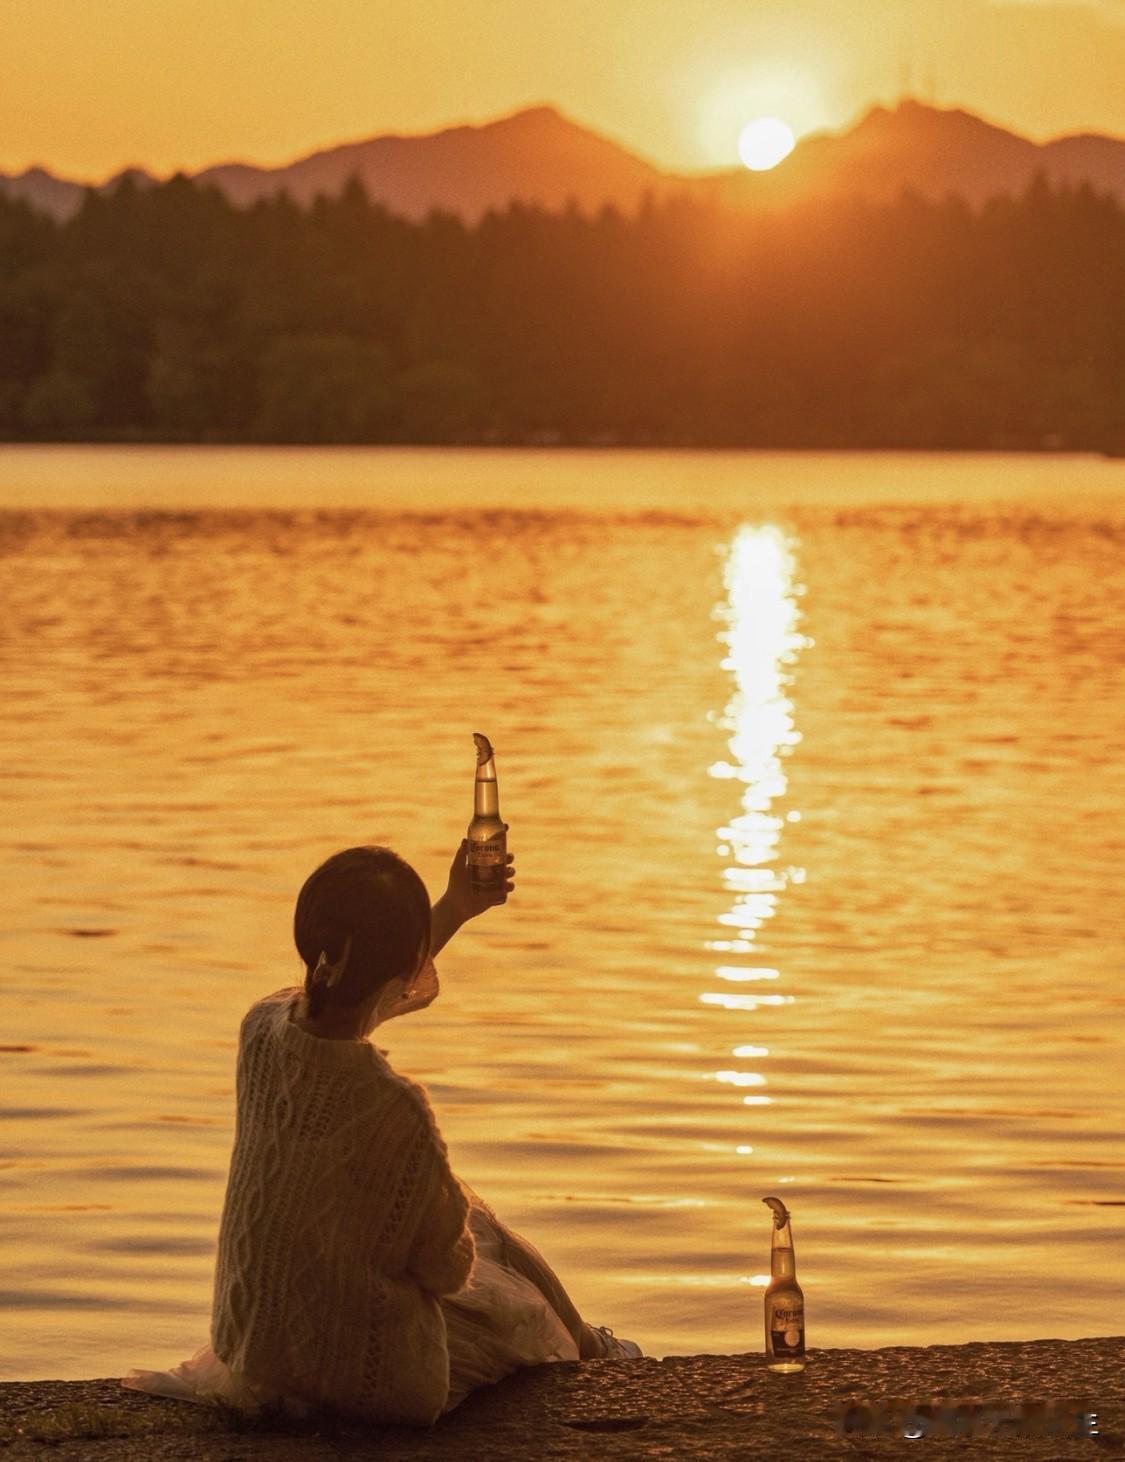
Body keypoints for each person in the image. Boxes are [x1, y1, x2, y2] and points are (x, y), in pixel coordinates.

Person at [122, 838, 640, 1425]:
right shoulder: (394, 1109)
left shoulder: (260, 1029)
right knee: (488, 1242)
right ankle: (597, 1349)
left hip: (254, 1349)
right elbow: (445, 1270)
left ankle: (595, 1344)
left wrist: (453, 907)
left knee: (445, 1218)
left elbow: (349, 999)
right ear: (406, 965)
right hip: (366, 1380)